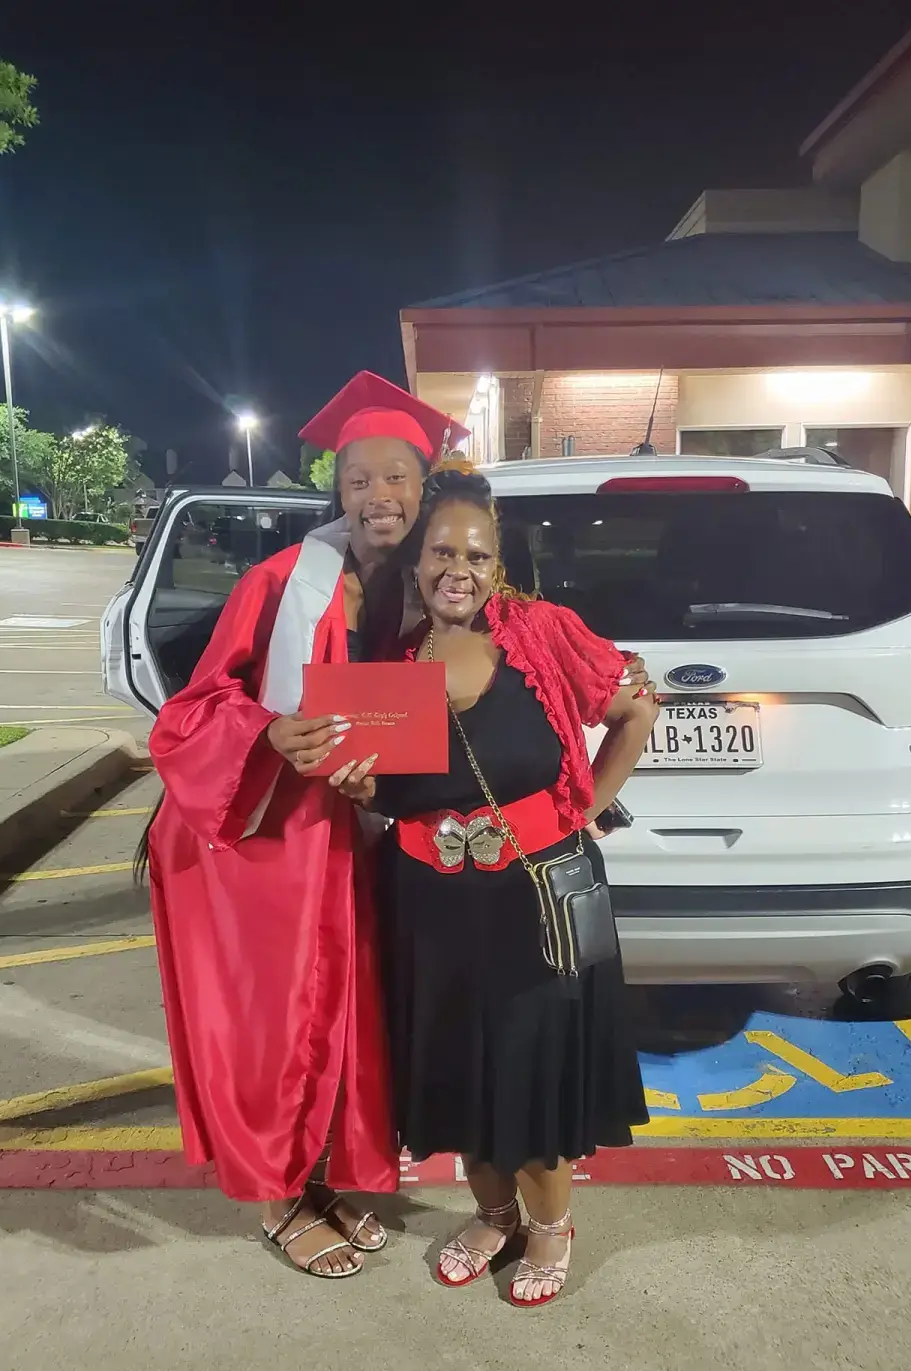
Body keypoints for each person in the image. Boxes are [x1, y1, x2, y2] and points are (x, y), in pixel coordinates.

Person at [143, 372, 468, 1279]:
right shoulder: (282, 582)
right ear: (337, 493)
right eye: (358, 480)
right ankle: (280, 1199)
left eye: (395, 477)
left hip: (346, 836)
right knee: (270, 1021)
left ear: (424, 483)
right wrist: (269, 730)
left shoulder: (431, 589)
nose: (378, 497)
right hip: (252, 838)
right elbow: (191, 710)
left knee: (340, 1011)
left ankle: (320, 1176)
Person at [331, 464, 659, 1307]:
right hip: (432, 913)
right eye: (442, 551)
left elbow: (636, 710)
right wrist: (362, 790)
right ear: (416, 563)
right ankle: (493, 1213)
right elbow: (381, 802)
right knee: (456, 1073)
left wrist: (587, 806)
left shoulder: (541, 634)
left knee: (529, 1075)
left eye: (477, 557)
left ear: (497, 568)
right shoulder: (390, 672)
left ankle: (551, 1227)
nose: (458, 571)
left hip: (536, 906)